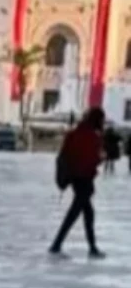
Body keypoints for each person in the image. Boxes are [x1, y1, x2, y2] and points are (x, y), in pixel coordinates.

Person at [50, 107, 105, 258]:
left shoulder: (74, 133)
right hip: (84, 179)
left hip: (74, 178)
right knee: (74, 214)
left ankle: (91, 247)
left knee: (88, 213)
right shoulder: (92, 137)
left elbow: (66, 154)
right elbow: (91, 159)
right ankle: (57, 245)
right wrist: (100, 159)